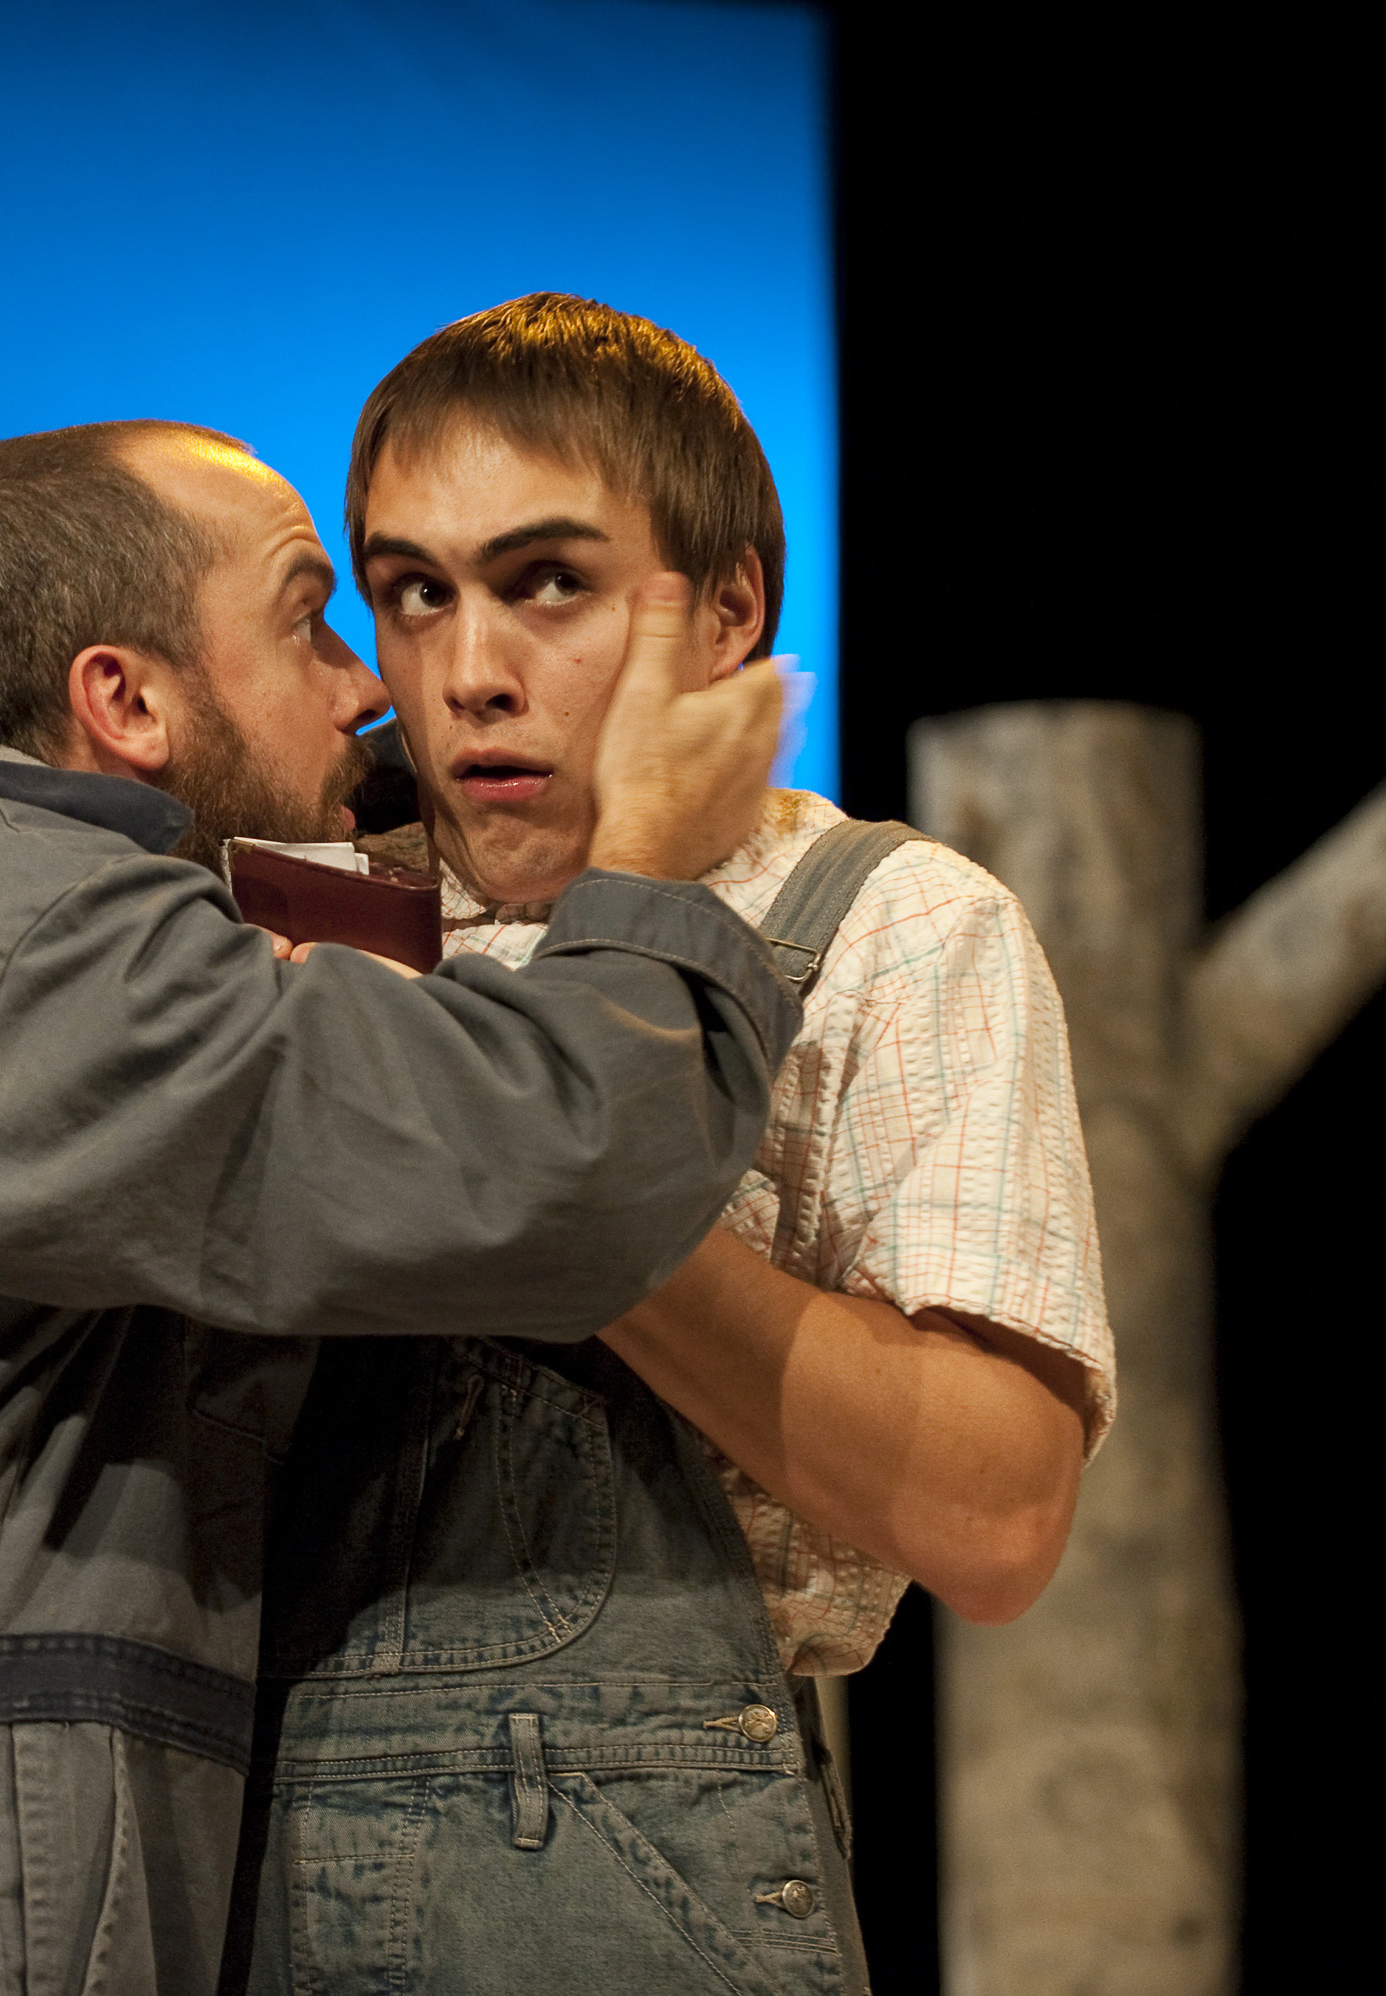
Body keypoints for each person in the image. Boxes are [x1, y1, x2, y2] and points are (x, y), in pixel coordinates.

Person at [0, 418, 805, 1996]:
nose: (367, 688)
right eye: (312, 619)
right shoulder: (23, 948)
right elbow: (568, 1163)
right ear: (122, 700)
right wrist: (650, 857)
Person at [229, 298, 1116, 1996]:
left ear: (730, 616)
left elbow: (1000, 1517)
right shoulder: (298, 910)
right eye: (413, 591)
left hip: (635, 1866)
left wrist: (555, 1176)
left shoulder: (880, 925)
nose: (468, 666)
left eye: (543, 582)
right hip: (240, 1844)